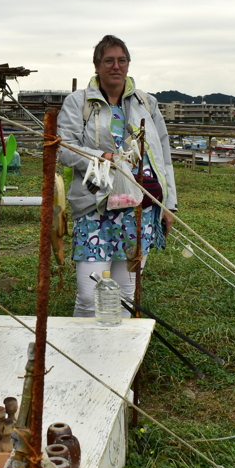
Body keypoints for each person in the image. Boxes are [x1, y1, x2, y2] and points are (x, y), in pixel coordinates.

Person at [58, 35, 177, 318]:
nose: (116, 66)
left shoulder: (146, 103)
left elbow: (163, 156)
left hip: (138, 208)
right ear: (97, 65)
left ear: (128, 64)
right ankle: (81, 351)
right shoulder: (79, 102)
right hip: (93, 206)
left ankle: (119, 352)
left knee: (126, 290)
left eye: (121, 60)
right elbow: (63, 148)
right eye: (109, 60)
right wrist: (103, 157)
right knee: (89, 293)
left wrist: (168, 203)